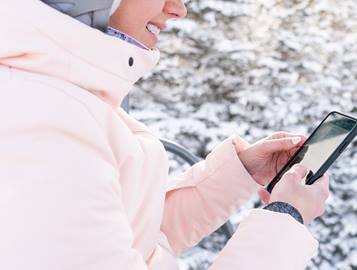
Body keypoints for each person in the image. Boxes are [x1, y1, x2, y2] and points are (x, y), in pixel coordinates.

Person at [0, 0, 330, 269]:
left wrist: (239, 173)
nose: (178, 8)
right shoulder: (50, 121)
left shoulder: (58, 97)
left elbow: (130, 236)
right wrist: (285, 218)